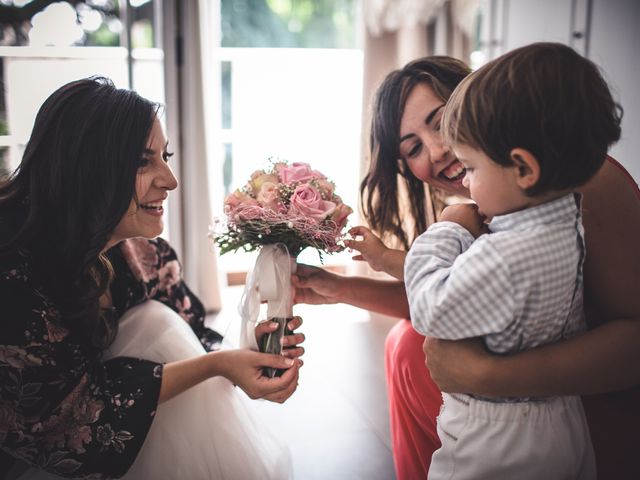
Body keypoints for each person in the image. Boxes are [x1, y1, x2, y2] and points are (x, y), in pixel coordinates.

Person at [292, 53, 640, 479]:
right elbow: (472, 300)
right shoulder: (497, 199)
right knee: (405, 341)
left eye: (440, 122)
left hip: (582, 403)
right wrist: (339, 289)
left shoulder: (583, 184)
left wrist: (489, 375)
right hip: (536, 416)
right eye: (414, 148)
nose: (439, 151)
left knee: (409, 346)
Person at [0, 77, 304, 480]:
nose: (170, 180)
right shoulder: (14, 273)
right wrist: (217, 366)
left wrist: (246, 351)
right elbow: (64, 426)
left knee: (158, 320)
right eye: (144, 161)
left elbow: (192, 333)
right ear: (84, 166)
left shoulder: (144, 256)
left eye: (166, 155)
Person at [404, 42, 619, 478]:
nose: (463, 178)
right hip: (563, 421)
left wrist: (449, 228)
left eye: (471, 167)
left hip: (497, 437)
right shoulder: (567, 223)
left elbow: (428, 307)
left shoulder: (507, 254)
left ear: (523, 168)